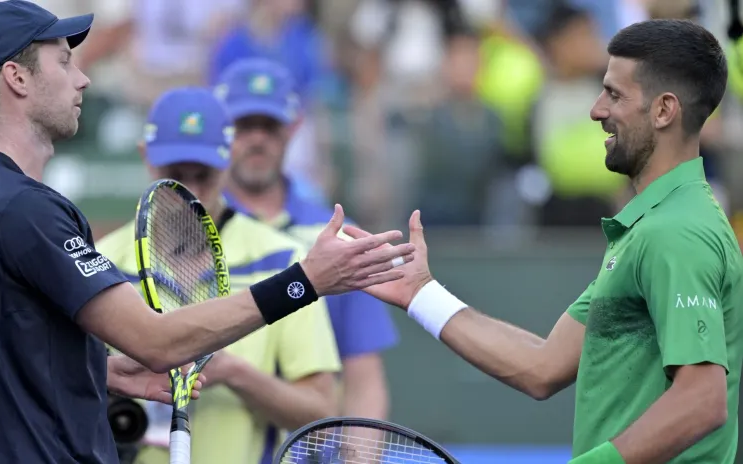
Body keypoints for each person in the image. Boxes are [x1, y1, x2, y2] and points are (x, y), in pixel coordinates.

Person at [0, 2, 415, 463]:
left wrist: (99, 372)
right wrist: (305, 280)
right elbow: (157, 342)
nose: (83, 78)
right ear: (17, 78)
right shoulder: (21, 209)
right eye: (64, 63)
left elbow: (7, 358)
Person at [352, 19, 742, 464]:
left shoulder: (675, 232)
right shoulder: (656, 227)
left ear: (664, 111)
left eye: (614, 94)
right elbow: (542, 366)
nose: (596, 110)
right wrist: (421, 293)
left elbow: (702, 400)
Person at [95, 87, 343, 464]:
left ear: (229, 161)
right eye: (174, 174)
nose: (187, 191)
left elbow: (321, 414)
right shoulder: (101, 263)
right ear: (146, 157)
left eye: (203, 176)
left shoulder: (281, 260)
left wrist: (231, 371)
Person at [216, 58, 399, 420]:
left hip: (311, 447)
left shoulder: (339, 234)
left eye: (270, 126)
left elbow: (364, 379)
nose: (257, 139)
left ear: (294, 127)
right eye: (244, 126)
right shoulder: (195, 229)